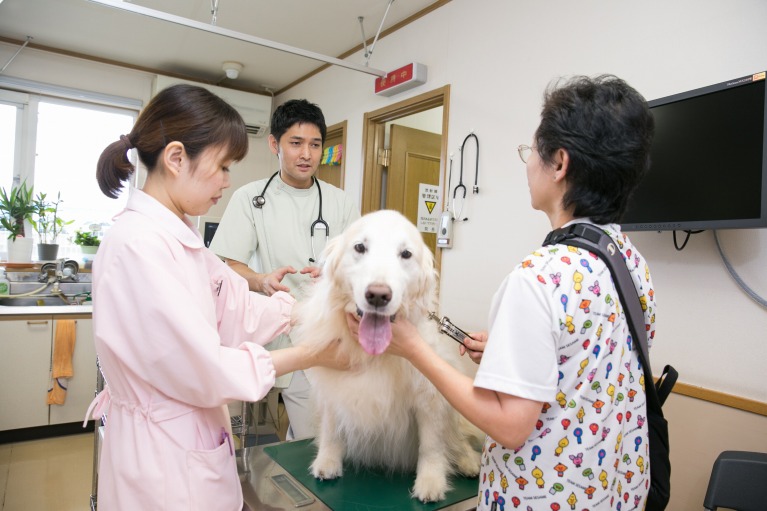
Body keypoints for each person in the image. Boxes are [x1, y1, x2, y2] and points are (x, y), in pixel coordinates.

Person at [385, 75, 656, 510]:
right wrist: (508, 350)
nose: (528, 164)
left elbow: (511, 428)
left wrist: (415, 349)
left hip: (541, 496)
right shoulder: (631, 263)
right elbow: (585, 361)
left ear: (560, 163)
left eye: (532, 151)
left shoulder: (538, 278)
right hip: (612, 493)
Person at [90, 84, 347, 511]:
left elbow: (237, 307)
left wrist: (305, 313)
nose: (228, 182)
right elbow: (206, 368)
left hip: (190, 443)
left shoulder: (180, 236)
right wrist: (311, 354)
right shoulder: (139, 246)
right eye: (223, 166)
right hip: (162, 462)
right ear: (176, 158)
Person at [209, 98, 360, 440]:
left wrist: (336, 275)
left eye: (315, 144)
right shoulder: (251, 198)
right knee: (285, 435)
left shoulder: (341, 203)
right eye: (296, 143)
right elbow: (227, 264)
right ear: (275, 144)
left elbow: (357, 265)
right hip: (275, 330)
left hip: (326, 331)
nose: (307, 154)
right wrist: (260, 280)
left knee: (317, 436)